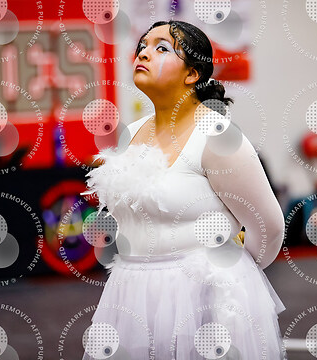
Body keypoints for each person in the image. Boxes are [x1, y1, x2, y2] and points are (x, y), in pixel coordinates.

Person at [82, 21, 286, 359]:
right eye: (143, 46)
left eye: (161, 48)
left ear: (192, 74)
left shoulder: (218, 136)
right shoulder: (130, 134)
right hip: (132, 292)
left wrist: (234, 276)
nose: (143, 53)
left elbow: (269, 228)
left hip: (208, 299)